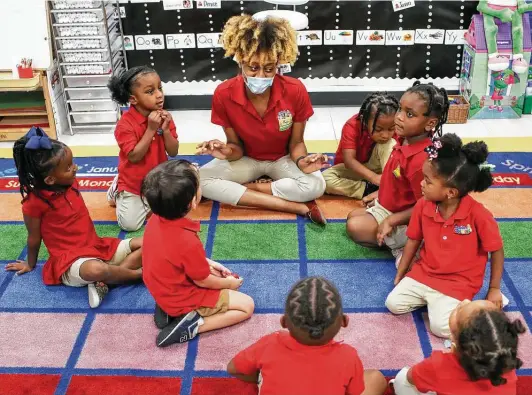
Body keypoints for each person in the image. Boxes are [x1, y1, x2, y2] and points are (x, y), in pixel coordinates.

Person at [197, 15, 328, 225]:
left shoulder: (295, 90)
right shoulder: (223, 94)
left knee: (316, 185)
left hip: (282, 159)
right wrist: (224, 152)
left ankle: (250, 190)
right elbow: (235, 148)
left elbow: (296, 143)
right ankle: (292, 206)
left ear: (278, 64)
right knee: (200, 180)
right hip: (246, 159)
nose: (261, 76)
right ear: (240, 61)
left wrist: (303, 162)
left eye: (269, 68)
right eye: (253, 67)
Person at [6, 127, 143, 308]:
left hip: (97, 247)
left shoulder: (70, 182)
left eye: (73, 163)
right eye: (69, 167)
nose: (75, 168)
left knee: (151, 242)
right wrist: (30, 264)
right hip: (71, 262)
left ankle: (108, 281)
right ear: (50, 180)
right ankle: (139, 275)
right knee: (97, 269)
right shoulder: (34, 203)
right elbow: (34, 237)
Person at [386, 134, 505, 338]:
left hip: (459, 282)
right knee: (393, 304)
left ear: (450, 192)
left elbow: (496, 250)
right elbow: (413, 239)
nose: (422, 185)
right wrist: (402, 272)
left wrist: (494, 288)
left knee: (441, 328)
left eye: (428, 181)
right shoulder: (423, 205)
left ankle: (476, 307)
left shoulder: (479, 215)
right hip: (425, 273)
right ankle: (439, 302)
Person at [141, 159, 254, 347]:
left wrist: (209, 264)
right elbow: (203, 280)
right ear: (193, 201)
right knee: (246, 306)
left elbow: (172, 257)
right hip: (180, 296)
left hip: (161, 288)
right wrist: (229, 284)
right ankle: (192, 325)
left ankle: (169, 309)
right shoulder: (187, 241)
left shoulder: (156, 219)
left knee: (215, 272)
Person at [227, 276, 388, 395]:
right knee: (376, 378)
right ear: (344, 321)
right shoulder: (348, 356)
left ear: (284, 322)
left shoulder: (270, 343)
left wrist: (261, 379)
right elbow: (354, 392)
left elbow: (233, 368)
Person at [346, 82, 449, 262]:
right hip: (388, 206)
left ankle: (410, 242)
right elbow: (396, 179)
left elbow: (428, 205)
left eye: (409, 114)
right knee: (353, 216)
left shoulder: (421, 161)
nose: (399, 117)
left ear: (430, 123)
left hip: (406, 217)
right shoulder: (404, 139)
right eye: (400, 109)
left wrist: (392, 221)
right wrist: (380, 194)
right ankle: (398, 236)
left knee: (355, 226)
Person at [392, 299, 525, 395]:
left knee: (401, 379)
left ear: (455, 340)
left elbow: (410, 377)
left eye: (460, 311)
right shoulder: (503, 360)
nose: (465, 300)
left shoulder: (439, 364)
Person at [106, 66, 179, 232]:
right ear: (133, 99)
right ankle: (116, 189)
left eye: (159, 88)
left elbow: (173, 151)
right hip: (133, 184)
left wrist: (166, 130)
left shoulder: (163, 115)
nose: (159, 95)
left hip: (158, 181)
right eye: (150, 91)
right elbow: (134, 157)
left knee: (178, 207)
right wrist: (151, 129)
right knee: (129, 225)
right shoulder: (125, 124)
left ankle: (151, 201)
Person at [323, 92, 398, 199]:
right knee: (325, 179)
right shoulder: (351, 126)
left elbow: (401, 156)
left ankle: (389, 185)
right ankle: (371, 189)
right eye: (378, 129)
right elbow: (349, 161)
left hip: (382, 171)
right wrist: (374, 178)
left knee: (389, 144)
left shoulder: (398, 126)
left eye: (391, 129)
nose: (385, 135)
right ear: (364, 120)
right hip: (355, 170)